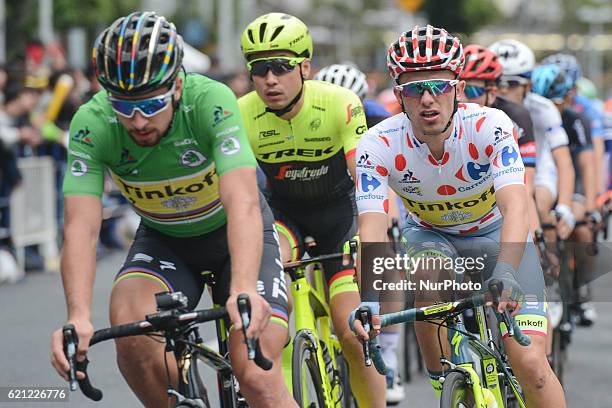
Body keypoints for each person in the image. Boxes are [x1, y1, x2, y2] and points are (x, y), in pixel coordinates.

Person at [49, 12, 295, 408]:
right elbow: (80, 227)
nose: (139, 120)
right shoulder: (91, 123)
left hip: (236, 237)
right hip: (166, 242)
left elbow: (243, 202)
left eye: (151, 103)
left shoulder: (210, 102)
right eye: (124, 107)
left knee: (257, 376)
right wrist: (77, 314)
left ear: (177, 85)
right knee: (131, 337)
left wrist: (245, 286)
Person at [353, 25, 566, 407]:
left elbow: (516, 205)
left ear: (459, 87)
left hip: (498, 233)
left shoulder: (489, 126)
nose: (428, 100)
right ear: (399, 94)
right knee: (426, 278)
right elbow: (372, 224)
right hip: (431, 235)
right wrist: (369, 295)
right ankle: (446, 381)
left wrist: (506, 270)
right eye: (415, 88)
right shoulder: (377, 143)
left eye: (438, 86)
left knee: (532, 365)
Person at [237, 13, 386, 407]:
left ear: (305, 67)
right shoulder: (241, 113)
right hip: (284, 217)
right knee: (270, 308)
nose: (270, 79)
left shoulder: (339, 103)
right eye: (260, 69)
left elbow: (365, 180)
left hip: (339, 215)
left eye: (281, 67)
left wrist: (371, 241)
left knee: (352, 330)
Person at [315, 62, 405, 404]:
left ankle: (391, 355)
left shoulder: (376, 116)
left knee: (387, 261)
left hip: (370, 193)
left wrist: (391, 218)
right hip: (329, 198)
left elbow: (390, 179)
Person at [531, 64, 599, 326]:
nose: (547, 107)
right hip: (546, 181)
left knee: (581, 231)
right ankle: (549, 280)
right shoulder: (532, 116)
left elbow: (586, 165)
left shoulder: (575, 120)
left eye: (555, 102)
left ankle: (581, 291)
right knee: (543, 219)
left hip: (573, 183)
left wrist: (589, 207)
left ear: (568, 98)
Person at [489, 39, 575, 244]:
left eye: (511, 83)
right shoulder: (486, 107)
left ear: (528, 85)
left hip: (541, 171)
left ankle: (548, 265)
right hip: (497, 172)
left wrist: (564, 206)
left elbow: (563, 161)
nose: (502, 90)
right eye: (498, 82)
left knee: (538, 203)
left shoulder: (544, 108)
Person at [459, 44, 540, 237]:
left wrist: (536, 236)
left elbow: (525, 185)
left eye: (471, 91)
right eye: (458, 88)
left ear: (492, 93)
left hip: (501, 195)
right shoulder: (445, 115)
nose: (462, 98)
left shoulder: (516, 116)